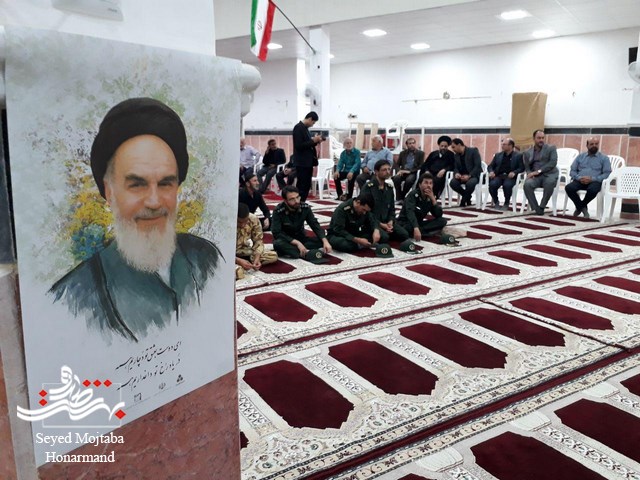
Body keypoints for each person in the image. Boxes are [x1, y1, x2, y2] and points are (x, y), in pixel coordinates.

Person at [49, 98, 221, 343]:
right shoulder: (72, 297)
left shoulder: (206, 257)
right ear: (109, 191)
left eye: (165, 183)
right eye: (137, 185)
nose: (154, 202)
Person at [271, 186, 332, 258]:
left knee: (326, 239)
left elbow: (314, 224)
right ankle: (305, 252)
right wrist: (297, 243)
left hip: (301, 238)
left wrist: (325, 241)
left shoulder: (305, 207)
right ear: (285, 201)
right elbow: (277, 233)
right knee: (278, 244)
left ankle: (298, 251)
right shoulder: (278, 211)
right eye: (292, 199)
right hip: (287, 240)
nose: (296, 201)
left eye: (297, 197)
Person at [362, 160, 409, 243]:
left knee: (404, 235)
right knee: (384, 238)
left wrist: (390, 221)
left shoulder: (389, 188)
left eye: (388, 169)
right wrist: (381, 225)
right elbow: (365, 211)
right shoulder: (368, 187)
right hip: (373, 222)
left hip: (386, 221)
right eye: (384, 170)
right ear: (376, 172)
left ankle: (385, 232)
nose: (387, 172)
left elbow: (392, 209)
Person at [565, 137, 611, 218]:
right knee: (569, 188)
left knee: (593, 190)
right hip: (580, 180)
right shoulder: (580, 156)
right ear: (587, 145)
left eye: (596, 144)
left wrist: (592, 179)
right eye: (591, 144)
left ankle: (580, 206)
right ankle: (583, 208)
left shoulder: (604, 158)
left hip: (595, 181)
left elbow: (607, 174)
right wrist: (579, 178)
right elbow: (572, 171)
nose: (594, 146)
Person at [397, 173, 449, 241]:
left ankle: (422, 232)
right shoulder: (413, 195)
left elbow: (438, 215)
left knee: (442, 221)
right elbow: (410, 213)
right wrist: (416, 227)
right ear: (420, 185)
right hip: (406, 222)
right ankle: (425, 232)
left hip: (419, 223)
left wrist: (433, 200)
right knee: (408, 228)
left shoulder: (430, 196)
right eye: (426, 183)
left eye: (430, 183)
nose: (428, 185)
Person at [235, 203, 277, 279]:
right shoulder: (226, 223)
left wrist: (257, 257)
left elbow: (258, 240)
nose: (243, 225)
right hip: (230, 255)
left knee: (273, 256)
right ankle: (238, 265)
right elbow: (221, 250)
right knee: (238, 273)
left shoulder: (253, 218)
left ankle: (248, 262)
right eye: (239, 222)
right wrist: (237, 260)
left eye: (245, 221)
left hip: (244, 251)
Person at [522, 129, 559, 215]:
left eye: (542, 138)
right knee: (527, 184)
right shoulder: (527, 152)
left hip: (549, 174)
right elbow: (527, 166)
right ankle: (536, 208)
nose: (541, 140)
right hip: (536, 177)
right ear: (534, 139)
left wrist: (539, 171)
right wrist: (529, 173)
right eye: (539, 138)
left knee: (549, 183)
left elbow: (553, 163)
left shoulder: (551, 148)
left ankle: (542, 206)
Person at [292, 111, 325, 201]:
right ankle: (299, 202)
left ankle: (302, 202)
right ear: (310, 119)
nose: (312, 125)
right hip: (302, 162)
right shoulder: (298, 128)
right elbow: (299, 145)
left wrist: (316, 141)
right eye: (313, 122)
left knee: (306, 185)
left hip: (307, 162)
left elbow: (307, 144)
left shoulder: (305, 129)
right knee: (302, 185)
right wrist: (313, 141)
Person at [487, 138, 524, 210]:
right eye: (502, 144)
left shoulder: (518, 155)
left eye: (504, 144)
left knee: (507, 185)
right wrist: (491, 172)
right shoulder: (498, 155)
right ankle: (496, 201)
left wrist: (514, 172)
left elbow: (522, 168)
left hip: (510, 177)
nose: (502, 146)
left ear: (510, 146)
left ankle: (506, 202)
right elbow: (490, 166)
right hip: (499, 175)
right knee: (492, 184)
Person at [449, 138, 482, 207]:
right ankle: (467, 196)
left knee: (470, 183)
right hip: (461, 176)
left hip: (473, 175)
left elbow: (477, 166)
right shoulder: (456, 155)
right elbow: (455, 167)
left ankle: (463, 200)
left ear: (459, 145)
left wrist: (469, 176)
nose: (453, 149)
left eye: (453, 147)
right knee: (453, 183)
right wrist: (456, 173)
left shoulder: (473, 151)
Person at [392, 137, 425, 202]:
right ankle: (399, 198)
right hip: (403, 172)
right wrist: (399, 170)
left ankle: (401, 196)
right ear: (407, 145)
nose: (412, 145)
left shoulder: (420, 153)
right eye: (410, 143)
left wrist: (409, 171)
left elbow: (421, 166)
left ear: (415, 144)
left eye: (413, 143)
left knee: (409, 180)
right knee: (396, 178)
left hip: (413, 172)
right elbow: (397, 164)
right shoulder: (402, 153)